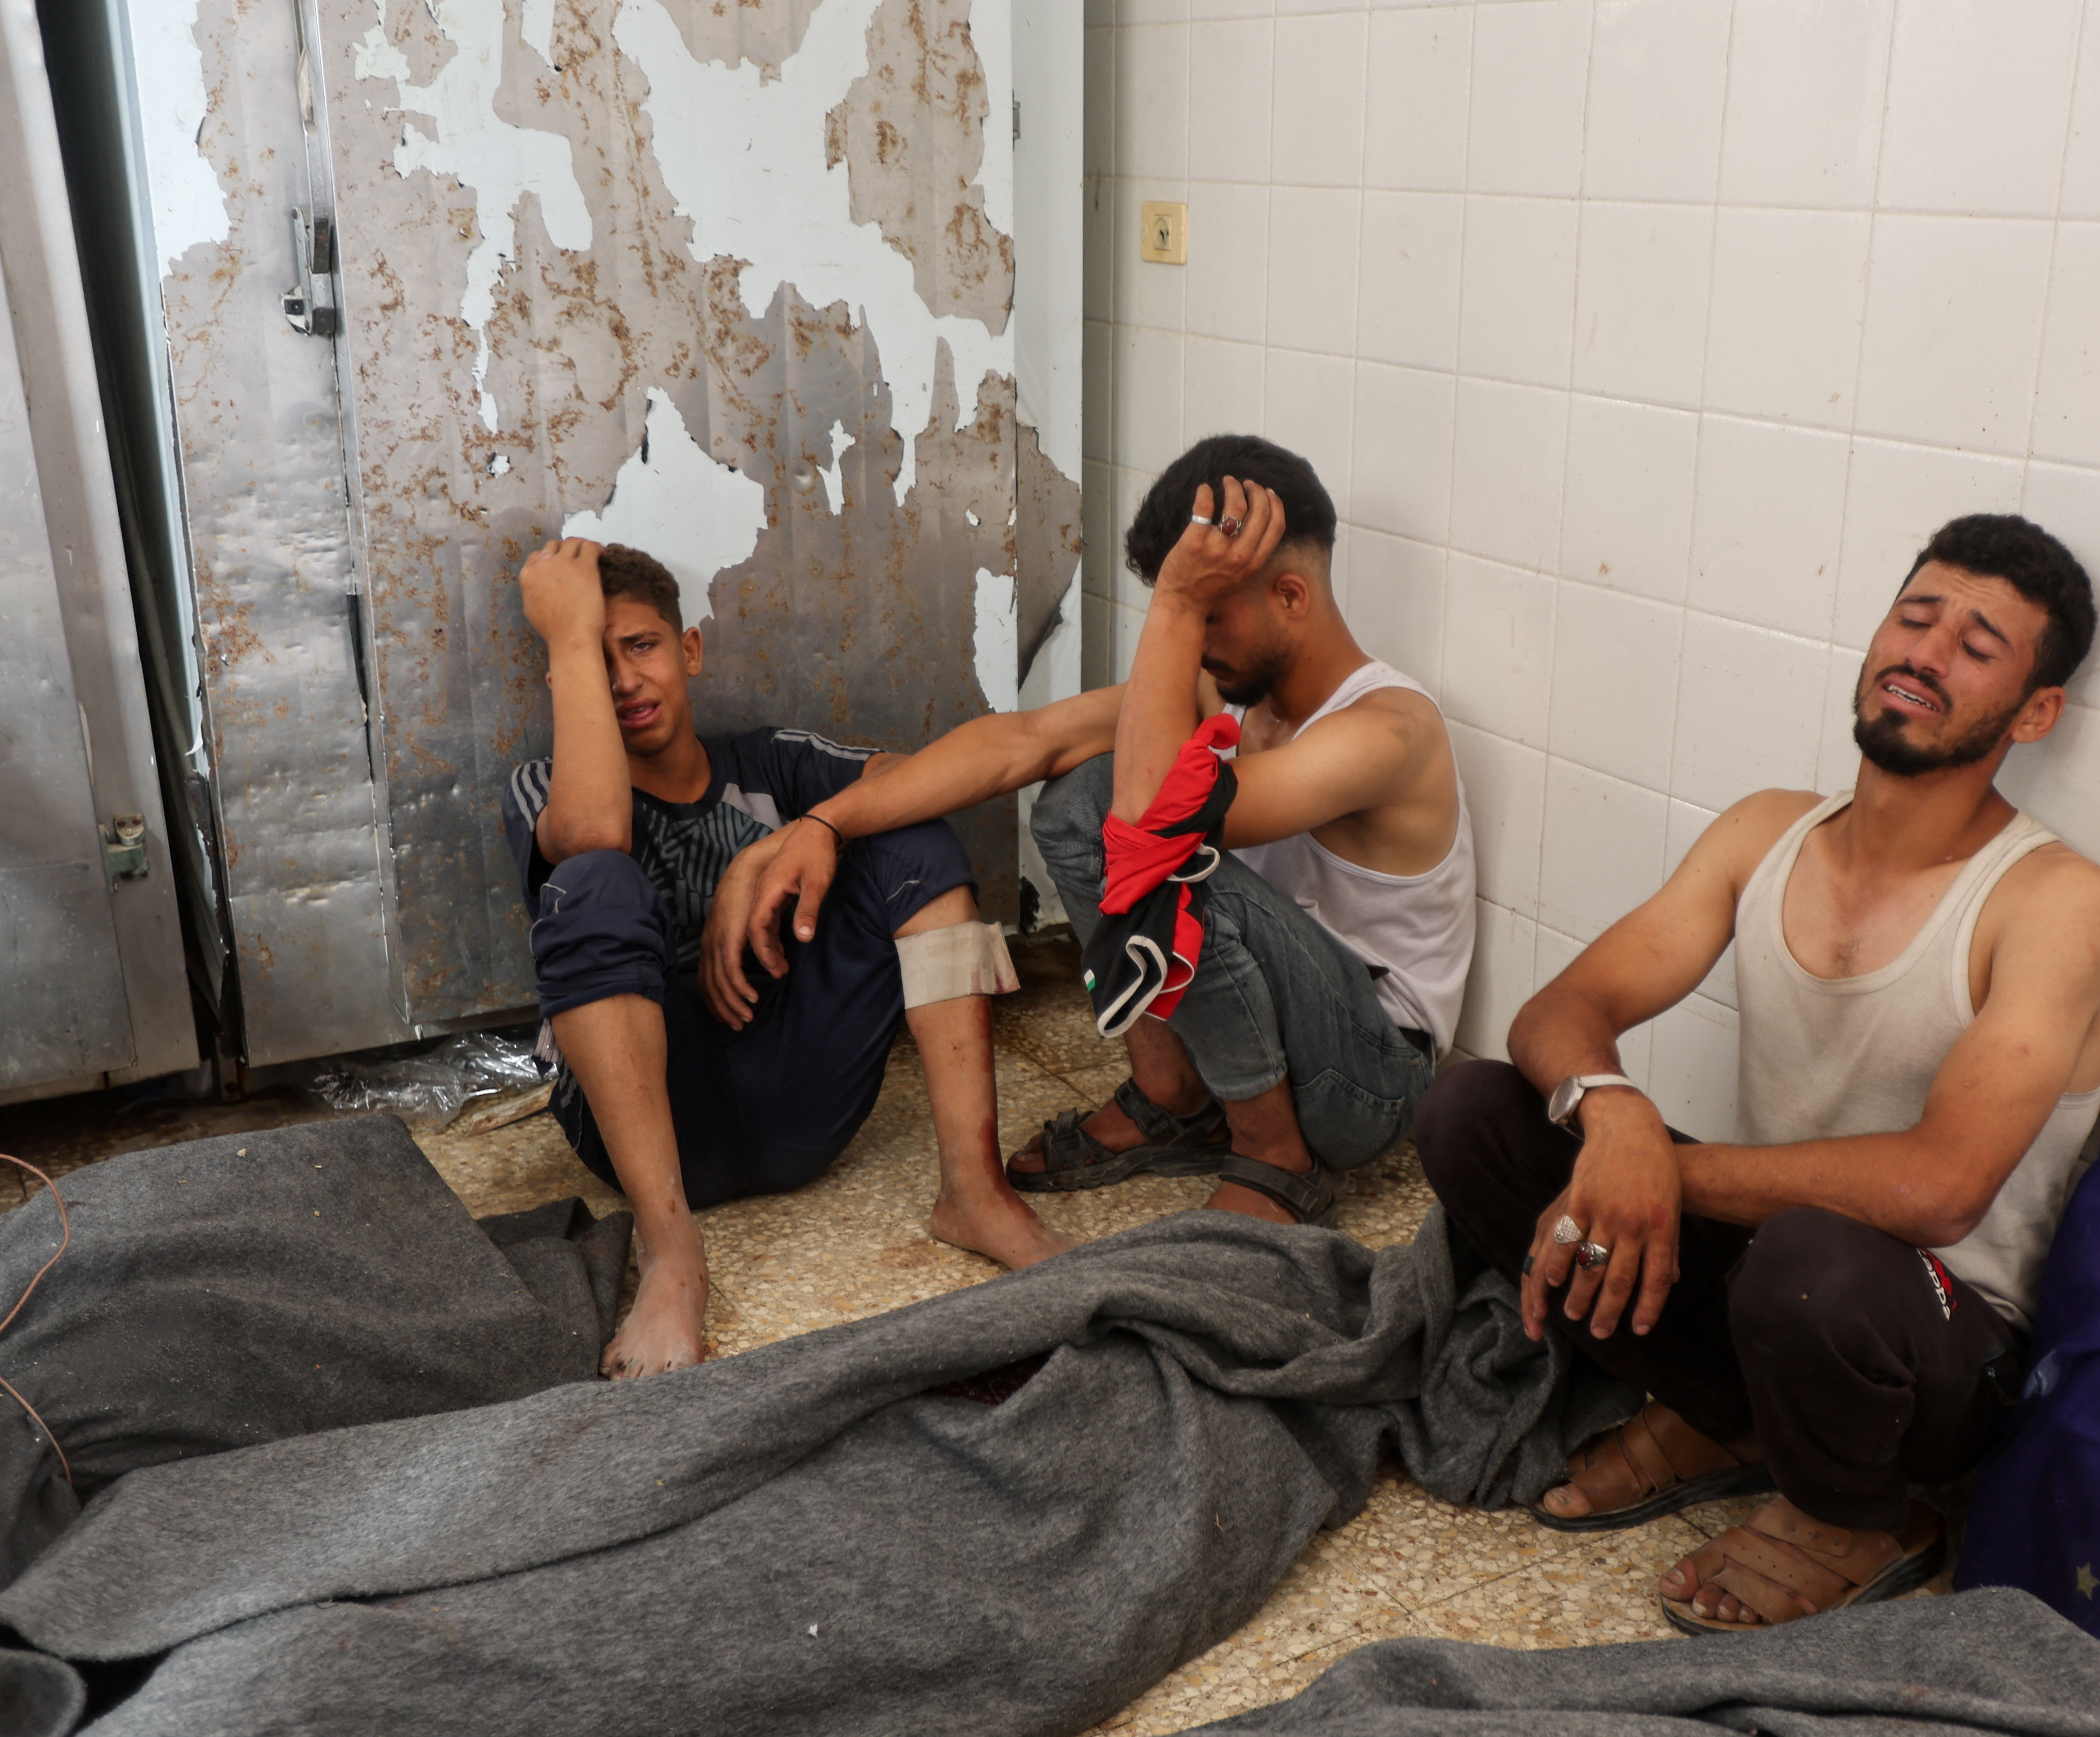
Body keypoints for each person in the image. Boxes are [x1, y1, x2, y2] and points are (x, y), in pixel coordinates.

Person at [1416, 514, 2100, 1634]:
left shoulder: (2052, 901)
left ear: (2034, 712)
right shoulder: (1766, 830)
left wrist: (1660, 1171)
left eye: (1976, 646)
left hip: (1935, 1337)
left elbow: (1939, 1187)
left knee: (1805, 1260)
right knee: (1471, 1112)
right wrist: (1613, 1118)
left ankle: (1855, 1514)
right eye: (1914, 616)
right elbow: (1561, 1010)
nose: (1924, 654)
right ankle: (1725, 1414)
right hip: (1775, 1273)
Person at [727, 434, 1475, 1227]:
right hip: (1287, 1030)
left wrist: (1178, 605)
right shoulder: (1229, 692)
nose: (1194, 641)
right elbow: (1025, 740)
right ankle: (1173, 1098)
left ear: (1291, 596)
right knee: (1074, 792)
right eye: (1188, 611)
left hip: (1367, 1079)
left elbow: (1151, 823)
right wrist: (824, 823)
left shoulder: (1386, 730)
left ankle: (1274, 1156)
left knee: (1140, 828)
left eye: (1209, 613)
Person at [502, 538, 1069, 1380]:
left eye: (644, 647)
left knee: (907, 830)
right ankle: (671, 1257)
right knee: (592, 881)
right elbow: (592, 836)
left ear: (688, 649)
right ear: (565, 680)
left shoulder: (770, 762)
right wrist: (562, 634)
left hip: (800, 1095)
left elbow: (929, 776)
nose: (623, 680)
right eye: (594, 658)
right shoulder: (543, 785)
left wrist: (807, 835)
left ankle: (976, 1193)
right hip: (656, 1126)